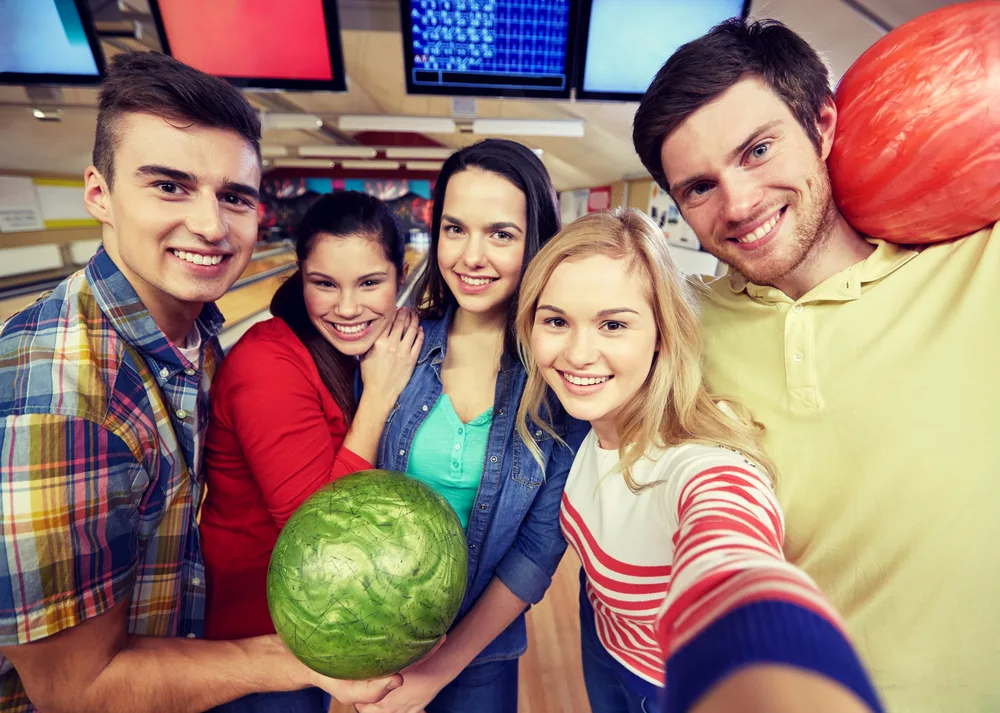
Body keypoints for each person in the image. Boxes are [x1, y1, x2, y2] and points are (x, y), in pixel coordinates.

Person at [0, 53, 400, 713]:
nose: (211, 225)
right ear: (98, 192)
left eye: (234, 196)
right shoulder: (59, 395)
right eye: (170, 185)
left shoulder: (196, 337)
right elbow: (77, 689)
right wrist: (298, 660)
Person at [632, 17, 1000, 713]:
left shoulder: (981, 268)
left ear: (823, 125)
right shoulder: (679, 329)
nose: (739, 204)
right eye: (699, 187)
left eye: (759, 149)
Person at [515, 207, 882, 713]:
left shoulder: (695, 461)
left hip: (661, 688)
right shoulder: (580, 422)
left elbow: (731, 553)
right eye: (556, 321)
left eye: (613, 325)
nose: (578, 354)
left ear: (663, 333)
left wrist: (770, 664)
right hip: (603, 643)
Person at [356, 139, 588, 713]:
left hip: (480, 655)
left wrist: (438, 671)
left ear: (534, 241)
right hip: (378, 639)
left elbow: (537, 551)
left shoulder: (559, 380)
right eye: (455, 229)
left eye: (500, 234)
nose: (470, 256)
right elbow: (349, 494)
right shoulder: (396, 350)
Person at [199, 191, 423, 712]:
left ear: (402, 273)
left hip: (313, 625)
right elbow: (317, 531)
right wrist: (381, 396)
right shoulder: (267, 365)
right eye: (324, 284)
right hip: (254, 636)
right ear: (300, 278)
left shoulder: (352, 350)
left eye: (370, 283)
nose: (347, 308)